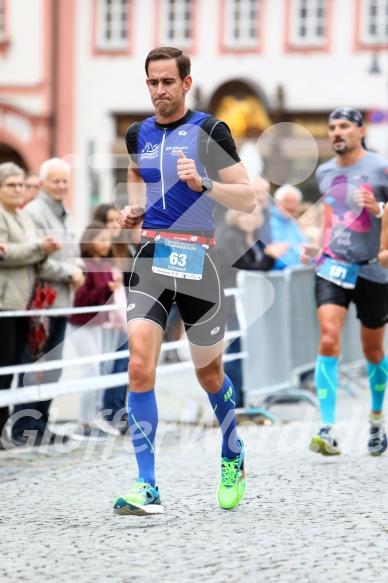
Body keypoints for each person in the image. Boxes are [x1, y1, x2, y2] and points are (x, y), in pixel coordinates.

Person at [113, 46, 256, 516]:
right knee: (138, 365)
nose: (159, 91)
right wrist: (135, 207)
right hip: (151, 255)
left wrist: (206, 186)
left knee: (209, 375)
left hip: (198, 260)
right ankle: (146, 484)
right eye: (152, 83)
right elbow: (137, 173)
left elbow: (249, 199)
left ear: (186, 83)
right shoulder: (138, 133)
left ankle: (232, 449)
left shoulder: (210, 130)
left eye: (167, 82)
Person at [301, 107, 388, 456]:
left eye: (344, 127)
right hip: (334, 265)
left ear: (360, 130)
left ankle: (377, 419)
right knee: (328, 337)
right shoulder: (323, 172)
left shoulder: (380, 167)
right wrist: (319, 245)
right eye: (332, 127)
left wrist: (379, 212)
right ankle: (328, 427)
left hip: (373, 268)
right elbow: (329, 214)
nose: (336, 132)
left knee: (373, 350)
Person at [11, 158, 85, 446]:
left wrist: (78, 268)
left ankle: (42, 425)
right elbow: (38, 261)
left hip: (63, 301)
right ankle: (24, 428)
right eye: (55, 180)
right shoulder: (34, 212)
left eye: (65, 180)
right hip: (42, 303)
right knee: (35, 367)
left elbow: (73, 251)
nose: (61, 185)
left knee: (53, 367)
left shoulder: (66, 213)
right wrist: (70, 272)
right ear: (41, 183)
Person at [0, 162, 60, 449]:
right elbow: (5, 254)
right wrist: (38, 249)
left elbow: (23, 253)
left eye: (21, 185)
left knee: (11, 371)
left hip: (23, 306)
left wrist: (41, 251)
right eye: (10, 185)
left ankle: (2, 431)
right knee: (2, 371)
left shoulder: (21, 218)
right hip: (4, 304)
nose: (17, 190)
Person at [217, 206, 289, 407]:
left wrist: (270, 257)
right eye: (244, 213)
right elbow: (246, 270)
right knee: (236, 351)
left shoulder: (252, 238)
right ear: (235, 215)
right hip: (233, 302)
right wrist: (270, 256)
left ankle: (241, 398)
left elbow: (258, 270)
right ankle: (233, 402)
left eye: (252, 214)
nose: (249, 219)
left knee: (244, 351)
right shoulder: (230, 237)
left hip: (249, 302)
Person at [68, 221, 121, 439]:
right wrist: (104, 289)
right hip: (79, 323)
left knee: (98, 370)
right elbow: (79, 299)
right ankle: (83, 424)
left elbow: (104, 302)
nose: (106, 244)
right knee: (91, 372)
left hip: (97, 323)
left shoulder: (106, 266)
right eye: (101, 239)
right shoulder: (83, 265)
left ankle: (91, 420)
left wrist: (110, 290)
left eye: (108, 239)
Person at [93, 203, 136, 431]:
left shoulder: (123, 247)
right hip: (111, 317)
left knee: (125, 365)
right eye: (109, 221)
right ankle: (112, 414)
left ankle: (121, 412)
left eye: (116, 220)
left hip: (127, 312)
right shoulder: (102, 250)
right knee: (113, 365)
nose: (114, 225)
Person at [270, 184, 310, 270]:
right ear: (277, 203)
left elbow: (307, 248)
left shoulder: (292, 224)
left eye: (294, 203)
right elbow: (281, 258)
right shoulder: (270, 223)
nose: (291, 206)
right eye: (287, 202)